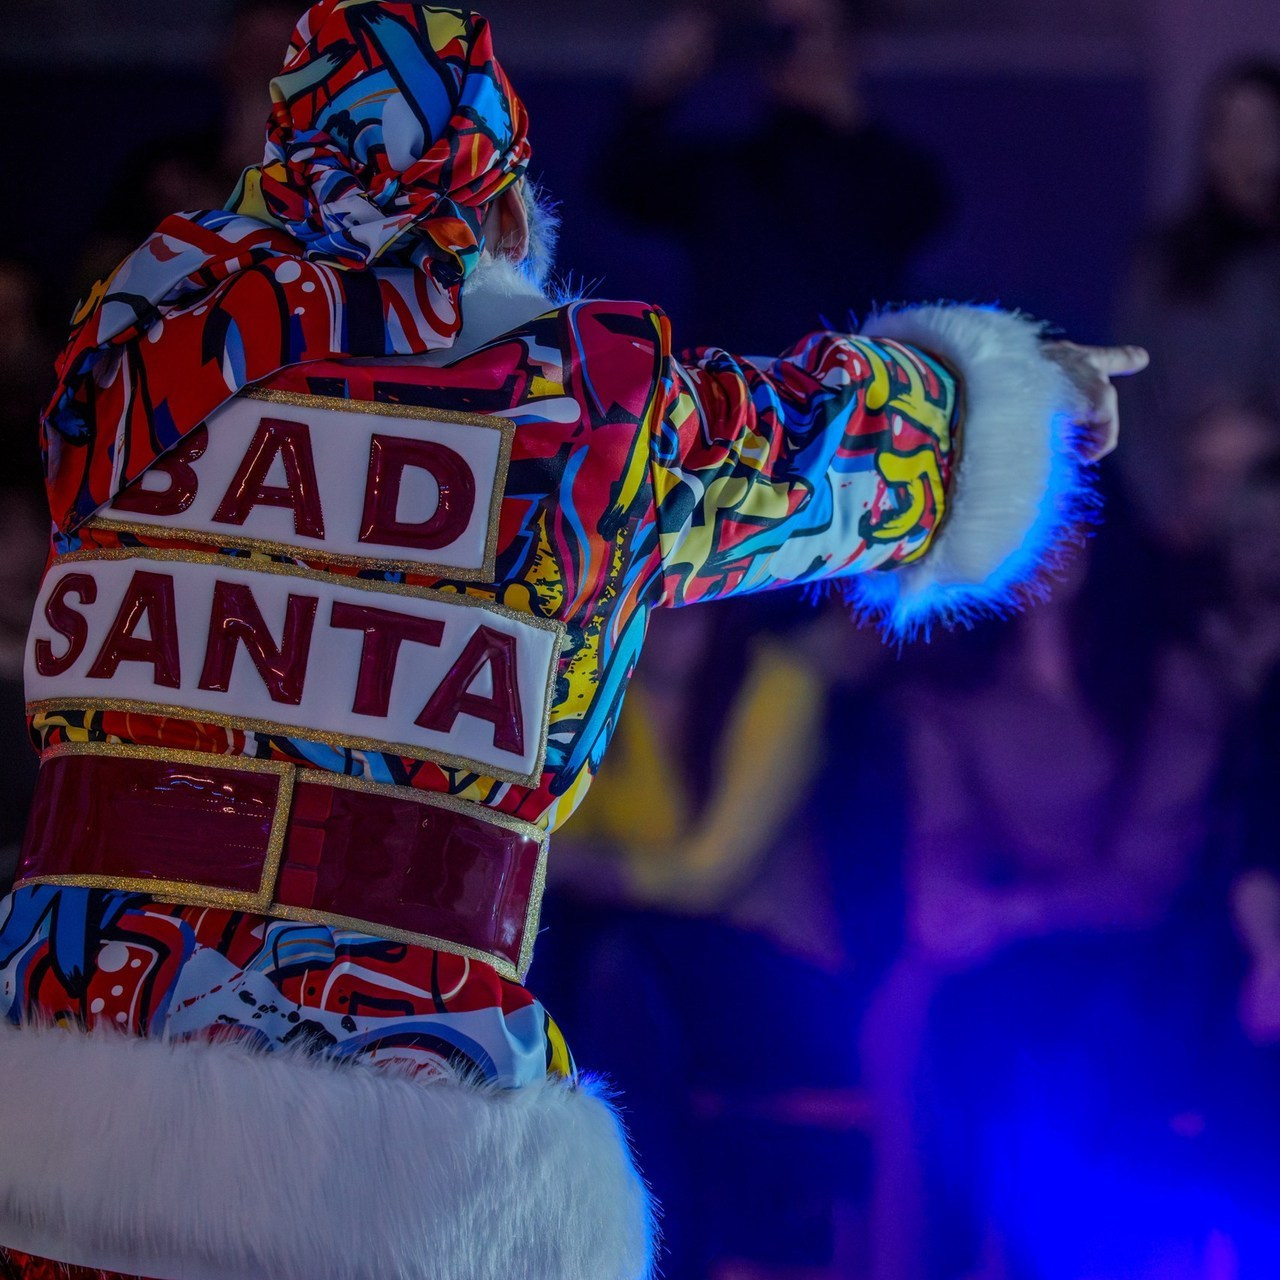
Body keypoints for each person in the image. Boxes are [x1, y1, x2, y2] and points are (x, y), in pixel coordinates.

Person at [0, 3, 1143, 1278]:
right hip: (396, 1127)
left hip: (66, 1078)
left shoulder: (119, 378)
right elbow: (828, 449)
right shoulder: (578, 414)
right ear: (499, 216)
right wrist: (1020, 388)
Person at [596, 0, 950, 352]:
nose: (792, 47)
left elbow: (924, 205)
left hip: (853, 390)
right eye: (780, 33)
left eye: (805, 32)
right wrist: (657, 88)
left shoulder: (887, 174)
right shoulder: (723, 173)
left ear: (846, 44)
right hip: (740, 394)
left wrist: (842, 110)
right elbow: (622, 184)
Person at [1116, 60, 1280, 545]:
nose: (1242, 145)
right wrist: (1170, 504)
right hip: (1184, 521)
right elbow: (1130, 392)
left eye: (1260, 127)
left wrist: (1264, 433)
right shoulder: (1165, 261)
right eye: (1227, 127)